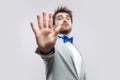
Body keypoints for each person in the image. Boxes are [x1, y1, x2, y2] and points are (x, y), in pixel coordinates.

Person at [30, 6, 86, 80]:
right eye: (60, 18)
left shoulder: (77, 49)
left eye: (68, 18)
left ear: (71, 24)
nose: (65, 20)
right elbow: (47, 54)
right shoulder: (52, 44)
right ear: (53, 26)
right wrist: (45, 49)